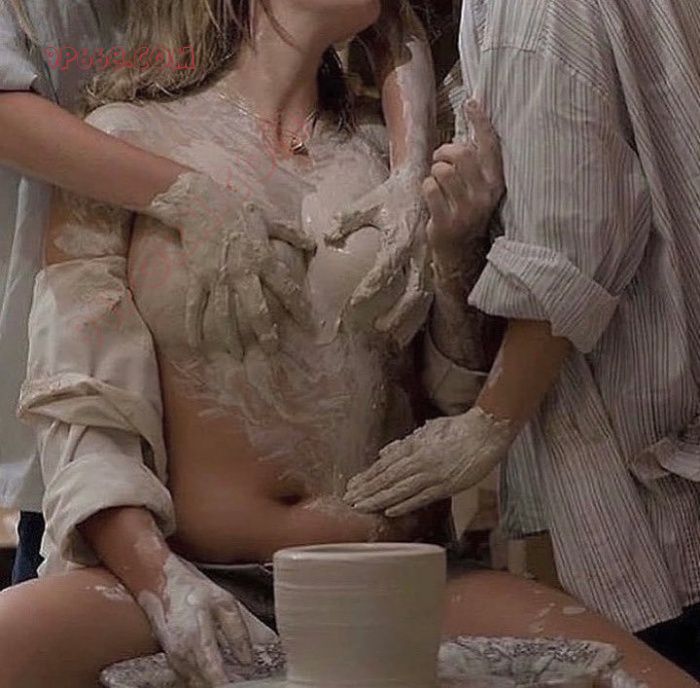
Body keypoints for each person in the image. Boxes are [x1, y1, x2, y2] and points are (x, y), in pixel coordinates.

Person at [0, 2, 694, 687]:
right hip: (188, 572)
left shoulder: (389, 160)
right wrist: (162, 583)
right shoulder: (126, 140)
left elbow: (451, 399)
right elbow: (83, 408)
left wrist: (453, 257)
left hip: (391, 574)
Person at [0, 0, 433, 583]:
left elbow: (446, 382)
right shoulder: (134, 130)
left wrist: (415, 178)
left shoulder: (375, 155)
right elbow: (86, 391)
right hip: (170, 547)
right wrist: (186, 190)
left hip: (380, 558)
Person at [346, 0, 700, 679]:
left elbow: (564, 245)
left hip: (649, 468)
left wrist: (490, 421)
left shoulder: (531, 12)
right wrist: (459, 246)